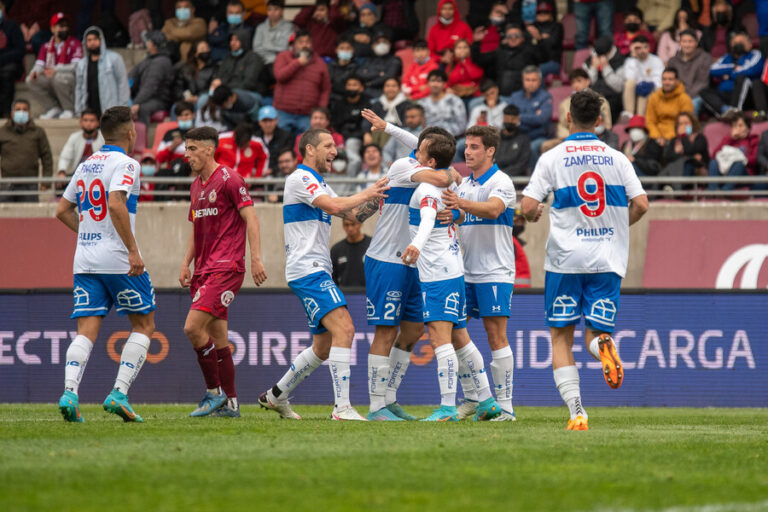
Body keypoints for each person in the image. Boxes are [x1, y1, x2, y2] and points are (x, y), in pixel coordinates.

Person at [521, 89, 649, 431]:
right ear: (599, 121)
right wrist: (617, 228)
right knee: (596, 332)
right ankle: (603, 346)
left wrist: (533, 215)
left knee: (561, 336)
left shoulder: (552, 157)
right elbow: (642, 205)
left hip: (565, 259)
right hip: (608, 258)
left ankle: (577, 412)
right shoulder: (617, 157)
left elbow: (529, 206)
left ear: (567, 118)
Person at [258, 128, 389, 421]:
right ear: (310, 149)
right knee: (345, 330)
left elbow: (351, 215)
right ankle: (342, 409)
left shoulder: (320, 183)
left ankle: (275, 396)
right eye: (328, 145)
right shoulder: (300, 178)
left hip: (314, 268)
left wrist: (379, 199)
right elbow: (333, 206)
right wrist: (368, 190)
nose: (334, 151)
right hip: (308, 269)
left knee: (323, 345)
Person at [359, 110, 464, 420]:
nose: (415, 146)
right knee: (386, 331)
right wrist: (451, 172)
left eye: (422, 145)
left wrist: (388, 127)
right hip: (387, 257)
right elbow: (437, 175)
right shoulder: (404, 165)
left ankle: (389, 398)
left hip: (416, 262)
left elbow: (449, 193)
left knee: (413, 330)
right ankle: (376, 406)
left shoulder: (423, 162)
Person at [55, 105, 157, 423]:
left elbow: (61, 210)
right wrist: (132, 250)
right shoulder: (127, 164)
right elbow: (115, 202)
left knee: (86, 331)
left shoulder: (87, 164)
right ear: (130, 133)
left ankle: (70, 393)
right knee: (144, 325)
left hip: (84, 259)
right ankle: (119, 393)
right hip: (117, 260)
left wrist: (88, 232)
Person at [179, 126, 267, 418]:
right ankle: (231, 404)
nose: (186, 154)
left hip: (226, 267)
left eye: (192, 148)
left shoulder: (230, 180)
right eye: (186, 148)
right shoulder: (195, 186)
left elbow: (251, 218)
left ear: (208, 149)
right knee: (219, 339)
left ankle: (213, 393)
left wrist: (255, 259)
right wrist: (185, 262)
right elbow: (196, 227)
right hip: (204, 270)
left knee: (192, 328)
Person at [440, 125, 518, 421]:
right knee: (455, 332)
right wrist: (450, 213)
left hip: (495, 271)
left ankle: (506, 407)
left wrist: (459, 203)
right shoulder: (465, 185)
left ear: (490, 151)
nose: (467, 152)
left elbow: (494, 210)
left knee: (495, 335)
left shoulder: (501, 181)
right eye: (467, 146)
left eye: (474, 147)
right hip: (464, 270)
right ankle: (473, 397)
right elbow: (461, 215)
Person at [401, 134, 471, 422]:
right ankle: (488, 400)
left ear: (430, 161)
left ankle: (447, 408)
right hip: (453, 266)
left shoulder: (427, 187)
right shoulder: (448, 180)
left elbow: (428, 219)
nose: (415, 151)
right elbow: (459, 211)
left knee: (441, 339)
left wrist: (416, 244)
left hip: (437, 272)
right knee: (462, 339)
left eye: (421, 150)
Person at [273, 30, 331, 136]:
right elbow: (280, 76)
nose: (305, 45)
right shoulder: (283, 56)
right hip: (284, 112)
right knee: (282, 146)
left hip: (307, 115)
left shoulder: (320, 63)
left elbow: (325, 89)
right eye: (301, 42)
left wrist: (321, 110)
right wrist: (298, 62)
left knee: (306, 147)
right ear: (294, 45)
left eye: (308, 42)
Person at [26, 13, 82, 120]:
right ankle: (52, 108)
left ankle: (69, 109)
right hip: (52, 76)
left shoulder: (75, 43)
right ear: (52, 29)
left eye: (66, 26)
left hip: (71, 79)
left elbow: (76, 66)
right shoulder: (46, 46)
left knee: (58, 77)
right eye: (61, 26)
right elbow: (39, 64)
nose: (64, 29)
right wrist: (35, 72)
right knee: (30, 80)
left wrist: (55, 70)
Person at [543, 69, 611, 153]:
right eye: (573, 82)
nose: (576, 85)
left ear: (587, 81)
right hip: (569, 138)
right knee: (546, 146)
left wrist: (585, 135)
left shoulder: (601, 101)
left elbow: (607, 126)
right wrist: (575, 137)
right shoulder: (564, 104)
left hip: (596, 138)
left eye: (579, 81)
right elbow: (561, 127)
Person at [701, 32, 767, 116]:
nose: (738, 45)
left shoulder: (755, 54)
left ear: (750, 44)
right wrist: (733, 67)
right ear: (731, 46)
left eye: (741, 42)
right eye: (735, 43)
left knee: (741, 78)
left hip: (747, 95)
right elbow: (712, 69)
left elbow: (752, 70)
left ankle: (735, 112)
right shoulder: (727, 57)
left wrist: (729, 75)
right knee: (704, 92)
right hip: (726, 93)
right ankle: (725, 111)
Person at [0, 100, 53, 202]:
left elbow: (46, 157)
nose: (21, 112)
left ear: (29, 113)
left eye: (24, 110)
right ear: (12, 112)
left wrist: (46, 181)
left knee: (30, 216)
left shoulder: (38, 132)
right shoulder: (2, 132)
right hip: (6, 184)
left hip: (30, 184)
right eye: (18, 110)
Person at [74, 26, 129, 118]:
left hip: (111, 110)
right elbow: (79, 88)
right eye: (89, 40)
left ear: (101, 40)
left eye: (95, 39)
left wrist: (122, 107)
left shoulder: (114, 59)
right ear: (85, 43)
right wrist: (79, 109)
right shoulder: (82, 64)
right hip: (90, 111)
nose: (92, 43)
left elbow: (122, 83)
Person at [471, 23, 539, 98]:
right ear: (506, 38)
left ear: (522, 38)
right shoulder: (499, 51)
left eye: (516, 35)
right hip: (501, 96)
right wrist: (476, 43)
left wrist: (539, 40)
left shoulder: (529, 51)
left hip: (522, 97)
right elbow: (479, 60)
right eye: (509, 36)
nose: (513, 38)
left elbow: (543, 57)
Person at [508, 66, 553, 168]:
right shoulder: (515, 96)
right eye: (527, 80)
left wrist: (519, 119)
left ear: (539, 81)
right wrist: (533, 117)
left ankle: (535, 179)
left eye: (533, 80)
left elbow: (542, 119)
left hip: (539, 136)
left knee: (532, 147)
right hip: (518, 136)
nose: (530, 83)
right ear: (523, 80)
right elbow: (510, 118)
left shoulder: (546, 97)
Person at [129, 31, 174, 125]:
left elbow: (150, 86)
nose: (147, 43)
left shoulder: (161, 62)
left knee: (141, 109)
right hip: (144, 97)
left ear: (153, 44)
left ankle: (139, 138)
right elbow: (131, 77)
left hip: (158, 100)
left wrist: (136, 103)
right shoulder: (149, 59)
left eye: (148, 41)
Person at [208, 29, 265, 103]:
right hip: (226, 91)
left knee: (228, 98)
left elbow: (248, 84)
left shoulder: (254, 58)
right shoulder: (228, 58)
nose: (233, 43)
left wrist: (224, 87)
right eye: (231, 40)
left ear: (244, 41)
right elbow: (219, 76)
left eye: (236, 40)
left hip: (249, 93)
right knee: (204, 99)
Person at [330, 75, 370, 178]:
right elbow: (335, 124)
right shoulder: (339, 103)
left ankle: (348, 188)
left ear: (361, 88)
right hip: (339, 138)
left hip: (357, 137)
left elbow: (367, 122)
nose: (351, 88)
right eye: (349, 85)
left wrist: (366, 133)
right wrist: (340, 140)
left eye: (354, 85)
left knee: (355, 160)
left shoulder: (366, 102)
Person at [707, 112, 759, 191]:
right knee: (713, 162)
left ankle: (725, 191)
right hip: (725, 170)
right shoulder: (728, 139)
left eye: (740, 125)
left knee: (738, 163)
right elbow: (715, 155)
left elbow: (755, 158)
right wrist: (731, 139)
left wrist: (741, 158)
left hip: (743, 173)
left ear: (747, 127)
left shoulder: (753, 139)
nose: (738, 129)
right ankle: (712, 190)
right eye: (735, 126)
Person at [644, 68, 694, 146]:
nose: (667, 82)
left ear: (677, 81)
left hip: (677, 137)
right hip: (657, 137)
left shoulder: (685, 99)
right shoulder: (654, 97)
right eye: (664, 79)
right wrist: (657, 137)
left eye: (670, 79)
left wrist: (674, 137)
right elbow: (650, 121)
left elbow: (687, 124)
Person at [667, 29, 711, 115]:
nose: (687, 45)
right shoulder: (673, 61)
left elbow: (702, 82)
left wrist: (686, 97)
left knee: (691, 105)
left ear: (696, 43)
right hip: (678, 95)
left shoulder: (705, 58)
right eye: (684, 41)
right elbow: (671, 82)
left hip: (697, 95)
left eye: (690, 41)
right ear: (680, 43)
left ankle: (689, 129)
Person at [660, 111, 709, 189]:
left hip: (694, 171)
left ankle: (674, 189)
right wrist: (682, 154)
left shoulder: (700, 138)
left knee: (687, 164)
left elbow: (690, 151)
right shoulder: (674, 140)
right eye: (681, 124)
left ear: (692, 124)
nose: (683, 126)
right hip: (675, 169)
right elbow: (667, 157)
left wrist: (683, 136)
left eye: (686, 123)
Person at [583, 36, 626, 122]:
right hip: (594, 95)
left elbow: (618, 88)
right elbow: (586, 84)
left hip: (613, 97)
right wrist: (593, 68)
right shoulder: (590, 59)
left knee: (611, 104)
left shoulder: (621, 61)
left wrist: (606, 67)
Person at [621, 36, 664, 120]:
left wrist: (648, 84)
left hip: (652, 89)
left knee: (645, 90)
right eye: (638, 48)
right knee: (629, 83)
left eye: (645, 47)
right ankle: (629, 113)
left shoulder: (656, 60)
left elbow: (659, 81)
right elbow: (630, 77)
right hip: (635, 89)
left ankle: (640, 119)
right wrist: (634, 58)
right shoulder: (630, 61)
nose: (642, 50)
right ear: (633, 49)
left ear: (649, 48)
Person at [57, 109, 104, 184]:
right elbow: (65, 157)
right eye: (85, 120)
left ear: (98, 123)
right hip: (77, 176)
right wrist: (62, 172)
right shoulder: (74, 137)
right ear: (81, 122)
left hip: (99, 176)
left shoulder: (103, 138)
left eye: (92, 121)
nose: (88, 123)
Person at [418, 69, 467, 138]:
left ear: (444, 84)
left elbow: (461, 125)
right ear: (428, 83)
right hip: (427, 139)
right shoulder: (422, 103)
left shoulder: (454, 101)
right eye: (432, 81)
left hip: (451, 139)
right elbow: (419, 125)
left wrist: (442, 136)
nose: (435, 84)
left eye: (439, 81)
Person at [173, 40, 218, 110]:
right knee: (175, 108)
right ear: (196, 54)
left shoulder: (214, 68)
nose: (206, 51)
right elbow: (179, 87)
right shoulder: (185, 68)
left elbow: (213, 87)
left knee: (202, 101)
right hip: (187, 100)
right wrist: (185, 98)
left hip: (204, 99)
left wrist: (198, 97)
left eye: (207, 48)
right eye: (202, 49)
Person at [357, 28, 401, 98]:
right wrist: (379, 74)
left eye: (384, 42)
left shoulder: (394, 60)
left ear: (390, 45)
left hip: (384, 94)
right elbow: (359, 74)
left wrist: (369, 82)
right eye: (378, 42)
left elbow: (389, 76)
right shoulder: (368, 60)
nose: (381, 44)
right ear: (373, 46)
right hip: (365, 94)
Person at [252, 0, 294, 72]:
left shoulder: (289, 27)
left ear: (282, 11)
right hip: (263, 61)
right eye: (269, 9)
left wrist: (268, 49)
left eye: (276, 9)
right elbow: (256, 48)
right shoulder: (260, 27)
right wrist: (271, 57)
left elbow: (288, 48)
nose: (272, 12)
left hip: (282, 62)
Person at [0, 1, 25, 118]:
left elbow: (20, 50)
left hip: (10, 64)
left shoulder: (12, 26)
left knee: (6, 74)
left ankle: (6, 112)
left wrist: (2, 59)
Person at [331, 218, 371, 287]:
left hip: (368, 293)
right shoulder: (336, 249)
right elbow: (333, 276)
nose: (350, 228)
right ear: (343, 226)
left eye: (353, 224)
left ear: (360, 224)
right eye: (346, 225)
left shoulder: (372, 246)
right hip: (345, 294)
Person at [527, 2, 563, 78]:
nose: (542, 14)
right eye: (539, 12)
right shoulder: (532, 27)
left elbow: (553, 43)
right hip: (534, 61)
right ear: (536, 15)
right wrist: (544, 38)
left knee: (538, 71)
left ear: (550, 15)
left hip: (552, 61)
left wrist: (539, 38)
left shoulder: (557, 27)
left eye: (546, 12)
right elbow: (529, 45)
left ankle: (539, 90)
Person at [157, 102, 195, 173]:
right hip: (173, 171)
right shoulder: (169, 134)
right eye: (180, 115)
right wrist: (172, 147)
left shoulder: (200, 134)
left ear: (193, 115)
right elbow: (159, 158)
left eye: (186, 115)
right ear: (177, 117)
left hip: (192, 171)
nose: (183, 118)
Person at [255, 105, 293, 175]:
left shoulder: (285, 136)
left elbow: (288, 159)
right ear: (259, 122)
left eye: (270, 120)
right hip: (258, 175)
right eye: (264, 121)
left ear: (276, 121)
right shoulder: (255, 138)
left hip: (280, 174)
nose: (268, 124)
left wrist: (272, 170)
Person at [495, 104, 530, 177]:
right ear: (503, 118)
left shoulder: (524, 139)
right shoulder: (495, 138)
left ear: (518, 119)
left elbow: (522, 164)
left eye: (513, 119)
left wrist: (502, 175)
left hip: (516, 180)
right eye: (507, 118)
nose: (510, 121)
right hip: (494, 178)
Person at [446, 38, 484, 104]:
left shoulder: (475, 62)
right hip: (456, 96)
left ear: (469, 50)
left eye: (465, 47)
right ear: (454, 51)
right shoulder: (451, 66)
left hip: (474, 96)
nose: (462, 50)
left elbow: (476, 75)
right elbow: (450, 81)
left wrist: (464, 62)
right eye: (459, 48)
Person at [328, 35, 360, 103]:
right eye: (342, 48)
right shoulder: (329, 67)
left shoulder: (357, 68)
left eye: (348, 48)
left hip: (348, 101)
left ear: (353, 50)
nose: (345, 51)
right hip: (330, 100)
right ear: (336, 50)